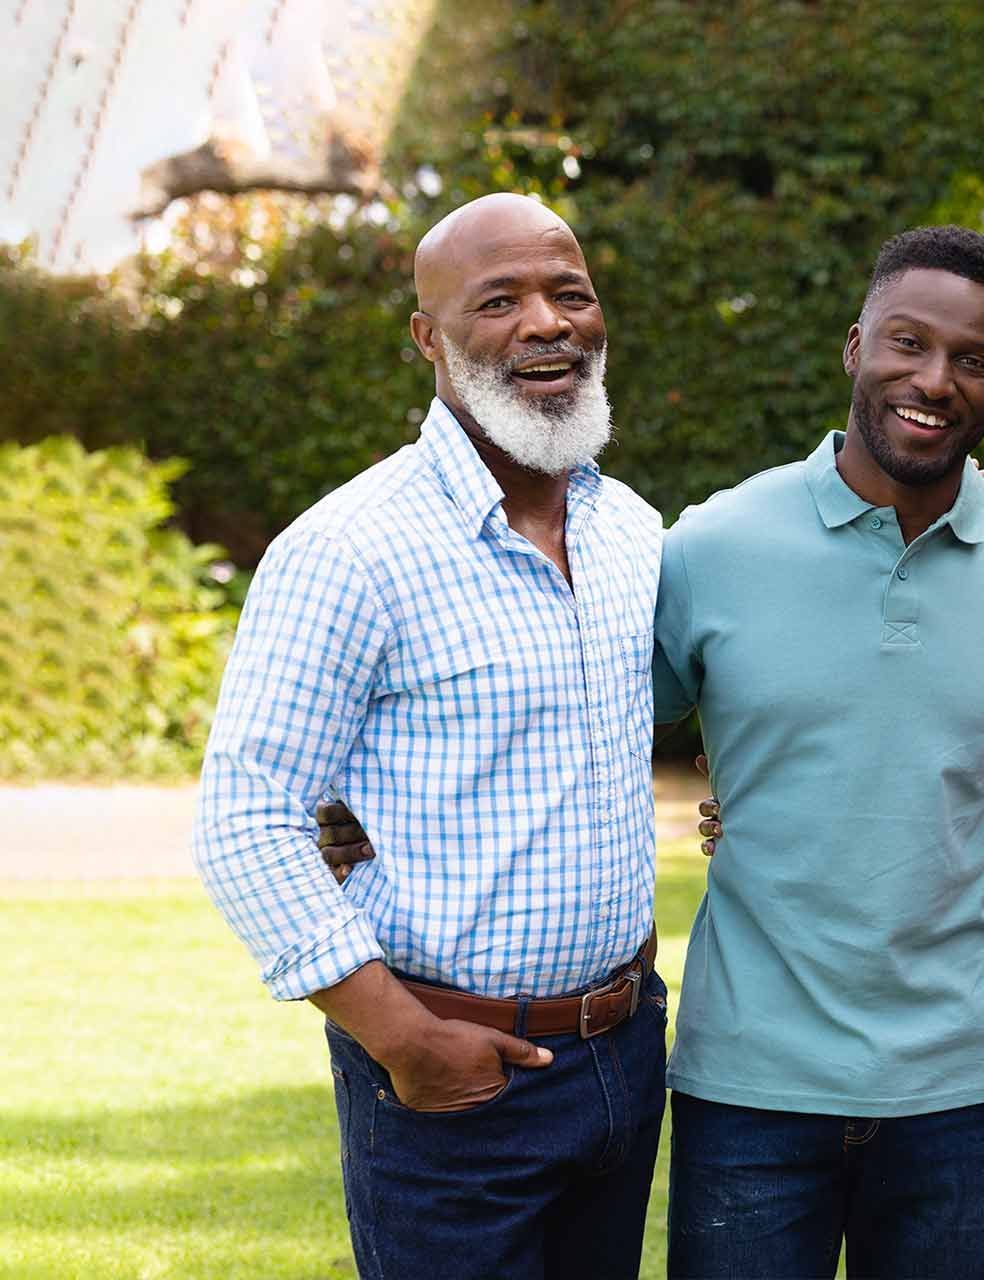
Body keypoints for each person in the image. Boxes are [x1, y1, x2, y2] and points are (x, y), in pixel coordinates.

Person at [193, 193, 670, 1280]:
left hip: (623, 1051)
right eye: (498, 300)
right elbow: (245, 817)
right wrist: (404, 1038)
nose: (545, 322)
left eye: (570, 292)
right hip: (451, 1075)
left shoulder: (632, 530)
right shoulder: (351, 547)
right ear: (429, 337)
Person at [652, 226, 984, 1280]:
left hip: (964, 1086)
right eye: (908, 342)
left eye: (974, 359)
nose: (934, 380)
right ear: (856, 346)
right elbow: (581, 737)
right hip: (751, 1080)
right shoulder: (711, 547)